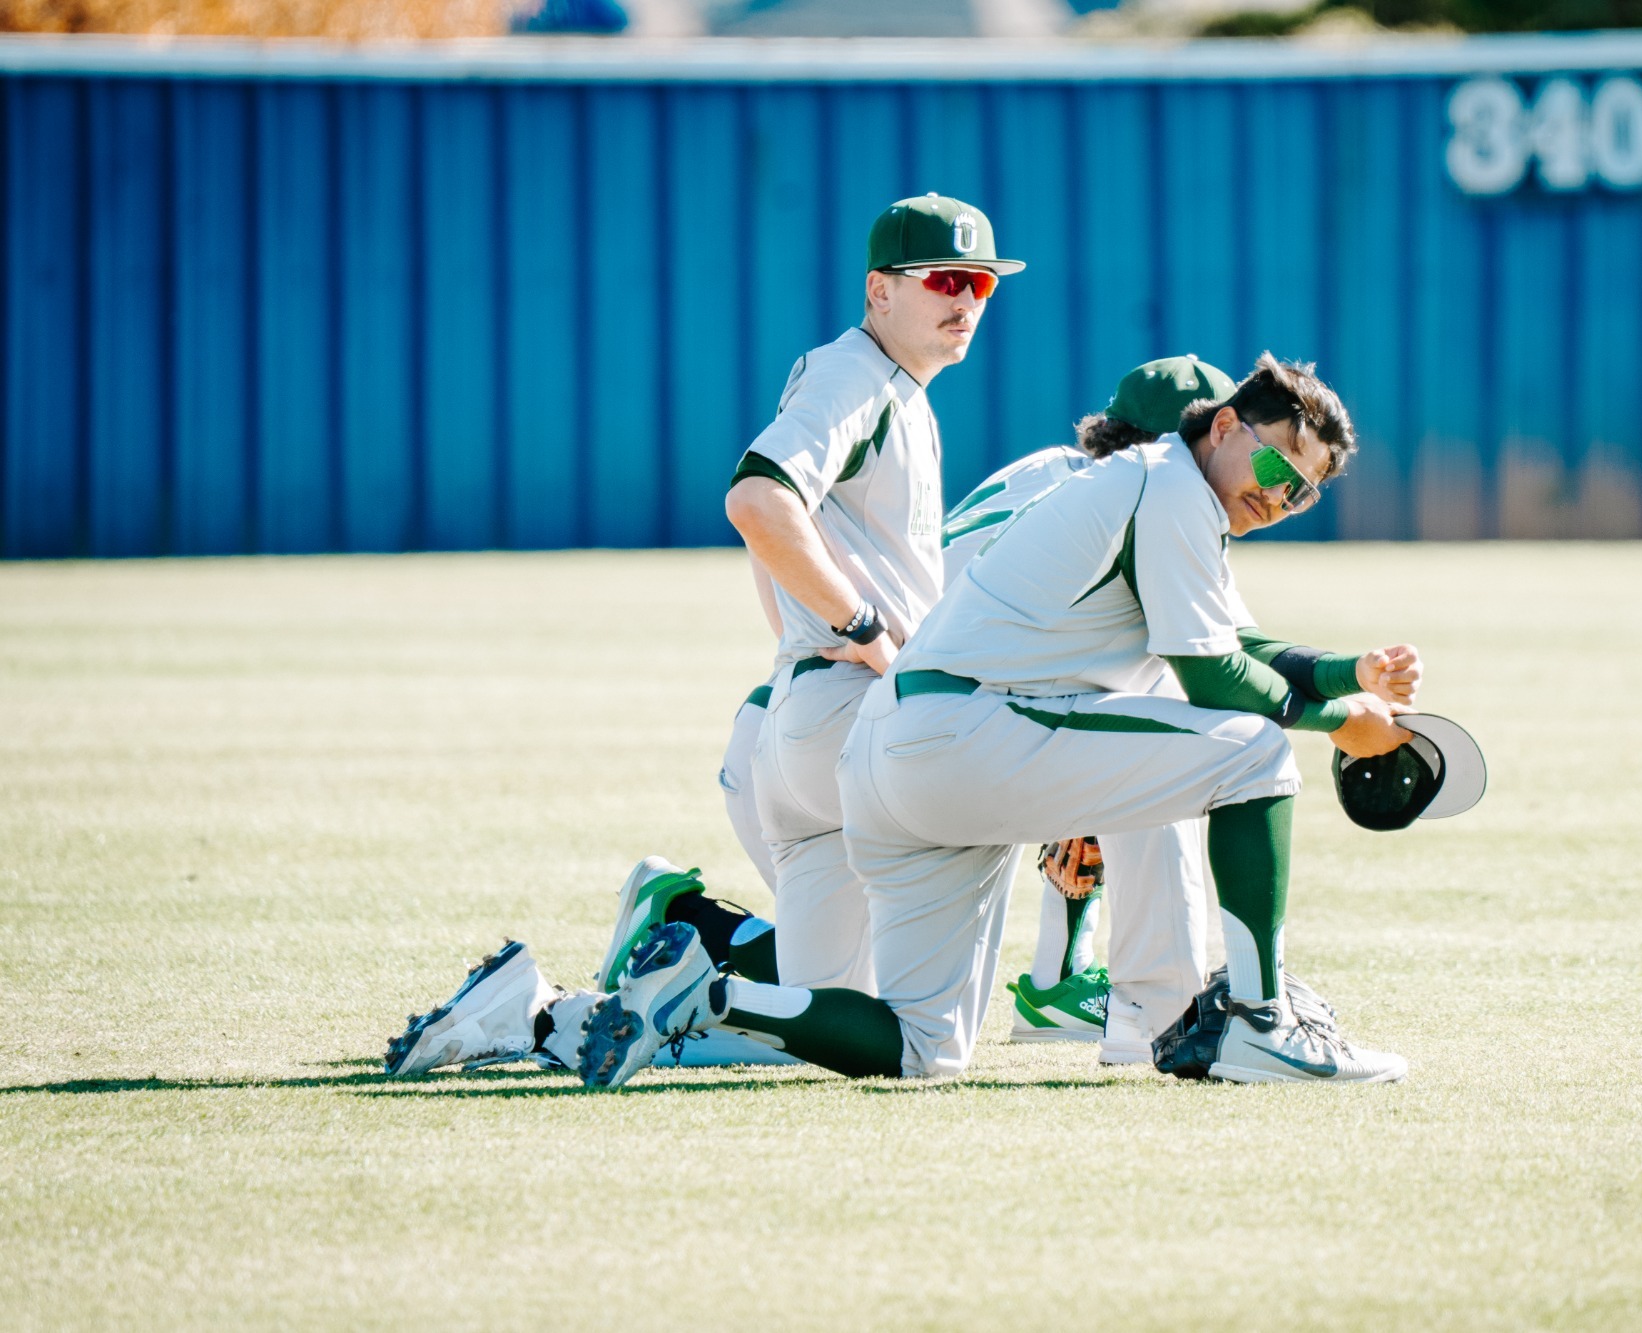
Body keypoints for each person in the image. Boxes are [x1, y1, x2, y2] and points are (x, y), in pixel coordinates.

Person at [573, 353, 1422, 1088]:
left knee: (921, 1042)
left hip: (890, 743)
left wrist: (1347, 672)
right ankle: (1256, 1017)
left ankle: (708, 993)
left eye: (1305, 496)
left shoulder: (1127, 480)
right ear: (1226, 426)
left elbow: (1235, 638)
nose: (1284, 499)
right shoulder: (1171, 488)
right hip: (958, 731)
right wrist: (1341, 715)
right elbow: (1211, 671)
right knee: (1254, 751)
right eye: (1281, 473)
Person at [383, 193, 1019, 1077]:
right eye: (945, 278)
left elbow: (772, 531)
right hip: (856, 723)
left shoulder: (885, 386)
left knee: (813, 1033)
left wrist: (808, 642)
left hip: (813, 726)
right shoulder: (857, 376)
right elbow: (757, 504)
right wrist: (868, 634)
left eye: (983, 282)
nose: (968, 300)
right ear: (879, 291)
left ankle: (531, 1016)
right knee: (934, 1007)